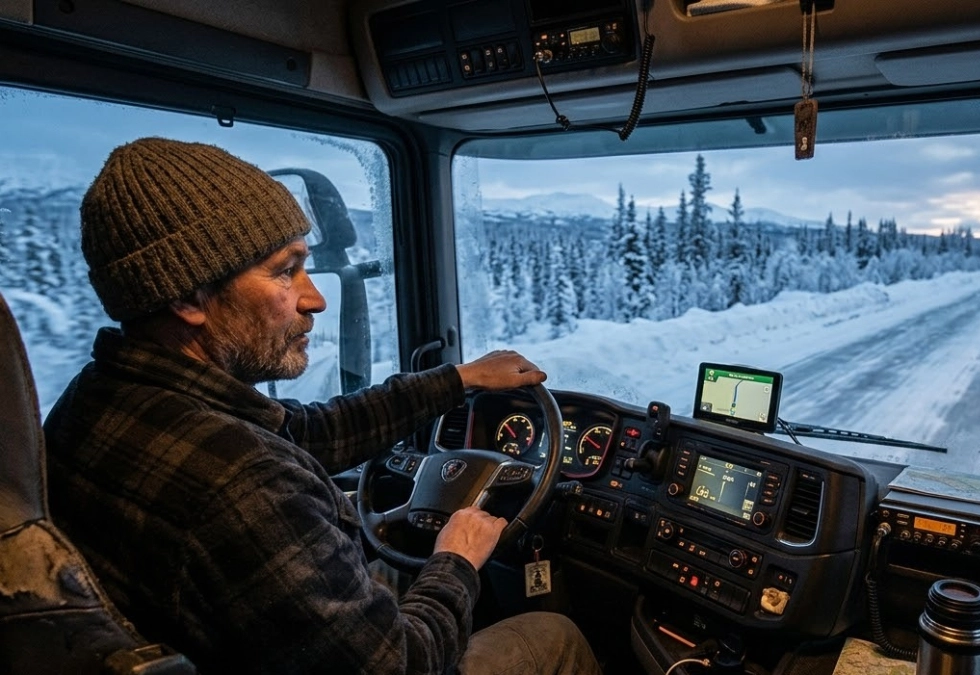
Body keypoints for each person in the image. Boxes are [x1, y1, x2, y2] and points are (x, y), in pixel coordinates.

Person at [42, 137, 603, 675]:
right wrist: (455, 560)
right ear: (189, 296)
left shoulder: (96, 399)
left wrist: (457, 379)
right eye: (286, 271)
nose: (315, 298)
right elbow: (399, 665)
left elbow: (305, 433)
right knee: (553, 637)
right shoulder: (241, 484)